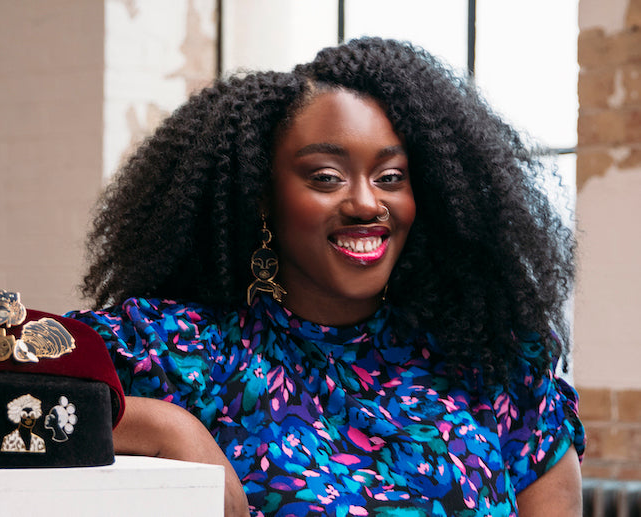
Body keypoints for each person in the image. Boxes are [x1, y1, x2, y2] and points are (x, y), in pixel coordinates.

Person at [66, 37, 584, 516]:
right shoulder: (179, 352)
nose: (366, 202)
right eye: (326, 177)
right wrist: (168, 427)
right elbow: (19, 380)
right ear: (262, 196)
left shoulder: (493, 365)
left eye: (391, 177)